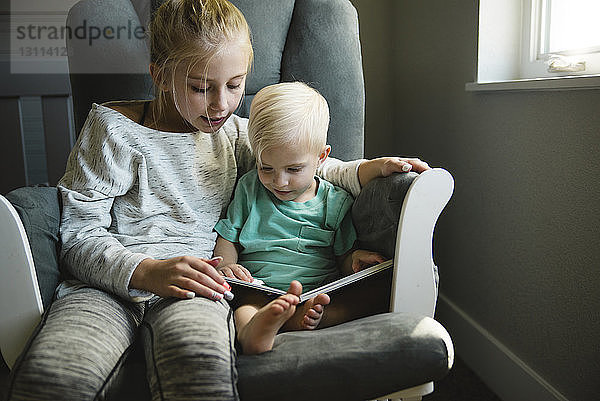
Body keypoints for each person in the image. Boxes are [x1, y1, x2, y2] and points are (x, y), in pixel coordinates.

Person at [7, 0, 429, 399]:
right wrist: (147, 271)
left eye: (235, 85)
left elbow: (304, 165)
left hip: (199, 289)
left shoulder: (233, 133)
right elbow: (78, 235)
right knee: (54, 375)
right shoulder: (112, 130)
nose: (221, 104)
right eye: (199, 87)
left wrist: (369, 169)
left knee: (199, 368)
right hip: (103, 287)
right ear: (160, 76)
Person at [213, 82, 390, 355]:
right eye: (266, 167)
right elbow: (228, 236)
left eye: (293, 169)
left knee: (369, 294)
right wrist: (226, 265)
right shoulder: (250, 188)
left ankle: (308, 317)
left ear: (321, 157)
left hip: (316, 290)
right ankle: (255, 332)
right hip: (260, 290)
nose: (279, 181)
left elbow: (342, 255)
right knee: (244, 309)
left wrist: (354, 260)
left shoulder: (336, 201)